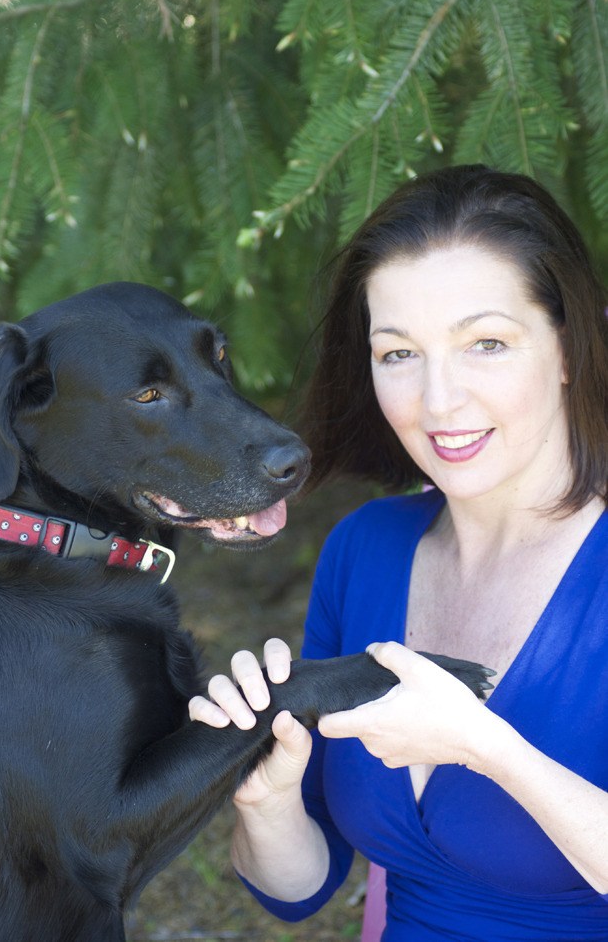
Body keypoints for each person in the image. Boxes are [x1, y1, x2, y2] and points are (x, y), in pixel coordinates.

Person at [188, 164, 608, 940]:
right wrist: (265, 797)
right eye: (398, 354)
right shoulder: (366, 550)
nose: (438, 400)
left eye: (486, 343)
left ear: (567, 347)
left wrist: (488, 750)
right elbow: (298, 887)